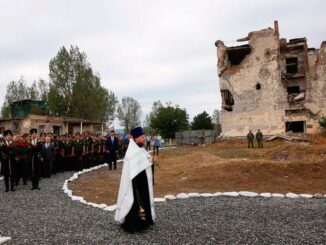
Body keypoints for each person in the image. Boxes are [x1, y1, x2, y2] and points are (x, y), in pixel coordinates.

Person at [115, 126, 155, 233]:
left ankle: (146, 221)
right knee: (136, 204)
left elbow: (144, 164)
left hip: (143, 183)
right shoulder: (133, 152)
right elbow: (134, 170)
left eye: (143, 137)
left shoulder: (140, 150)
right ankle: (136, 224)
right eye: (141, 137)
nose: (143, 139)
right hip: (135, 185)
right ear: (136, 139)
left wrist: (151, 162)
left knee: (144, 202)